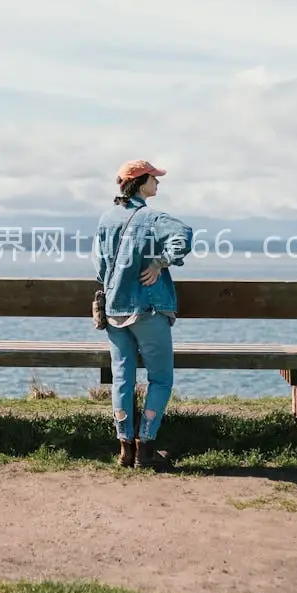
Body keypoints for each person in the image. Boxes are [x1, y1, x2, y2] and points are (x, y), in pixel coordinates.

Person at [93, 159, 192, 469]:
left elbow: (99, 267)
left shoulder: (106, 219)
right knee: (161, 379)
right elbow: (184, 235)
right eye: (154, 178)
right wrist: (160, 262)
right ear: (139, 182)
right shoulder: (152, 217)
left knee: (122, 379)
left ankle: (125, 449)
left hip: (114, 311)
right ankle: (146, 448)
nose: (158, 184)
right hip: (148, 311)